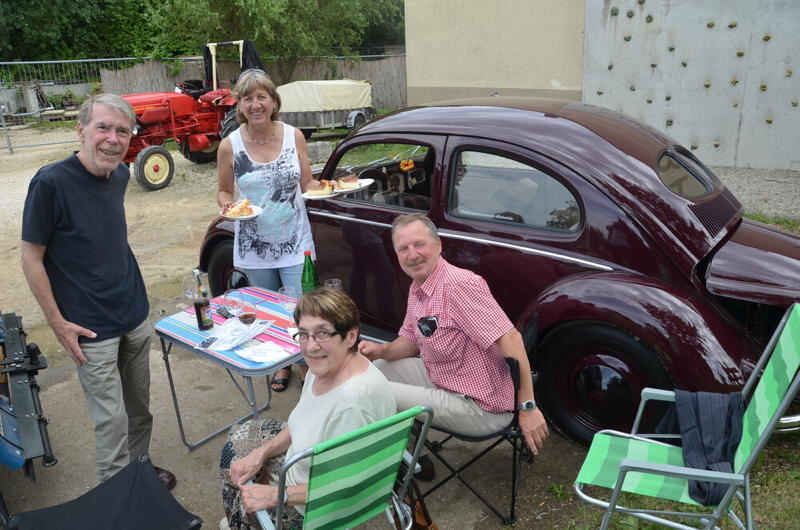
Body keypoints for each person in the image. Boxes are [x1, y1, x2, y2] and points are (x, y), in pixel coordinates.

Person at [20, 94, 176, 489]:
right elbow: (31, 259)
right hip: (90, 330)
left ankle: (139, 472)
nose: (112, 138)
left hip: (134, 315)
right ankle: (118, 498)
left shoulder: (121, 175)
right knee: (112, 421)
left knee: (139, 410)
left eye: (122, 131)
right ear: (81, 130)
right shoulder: (50, 183)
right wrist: (57, 324)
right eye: (103, 127)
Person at [359, 213, 549, 469]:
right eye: (403, 248)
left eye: (419, 244)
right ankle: (411, 456)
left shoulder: (458, 285)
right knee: (369, 371)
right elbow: (411, 341)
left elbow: (511, 339)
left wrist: (528, 407)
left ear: (438, 245)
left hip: (482, 405)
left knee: (367, 390)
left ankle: (390, 463)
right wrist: (379, 350)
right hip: (446, 379)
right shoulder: (419, 287)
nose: (412, 254)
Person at [219, 287, 396, 529]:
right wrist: (261, 453)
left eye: (323, 333)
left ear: (351, 336)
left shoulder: (352, 404)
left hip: (315, 507)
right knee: (238, 442)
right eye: (303, 334)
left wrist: (274, 495)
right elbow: (303, 422)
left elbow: (346, 486)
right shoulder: (327, 364)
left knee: (238, 475)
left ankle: (243, 520)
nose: (310, 347)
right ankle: (239, 515)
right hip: (304, 464)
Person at [217, 69, 321, 393]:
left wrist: (329, 189)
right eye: (248, 97)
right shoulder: (229, 146)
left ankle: (306, 364)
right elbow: (223, 192)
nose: (256, 104)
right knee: (267, 311)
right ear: (240, 106)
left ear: (274, 102)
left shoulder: (294, 136)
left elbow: (308, 183)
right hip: (253, 246)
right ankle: (283, 364)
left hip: (295, 241)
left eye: (262, 96)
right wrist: (228, 208)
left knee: (302, 308)